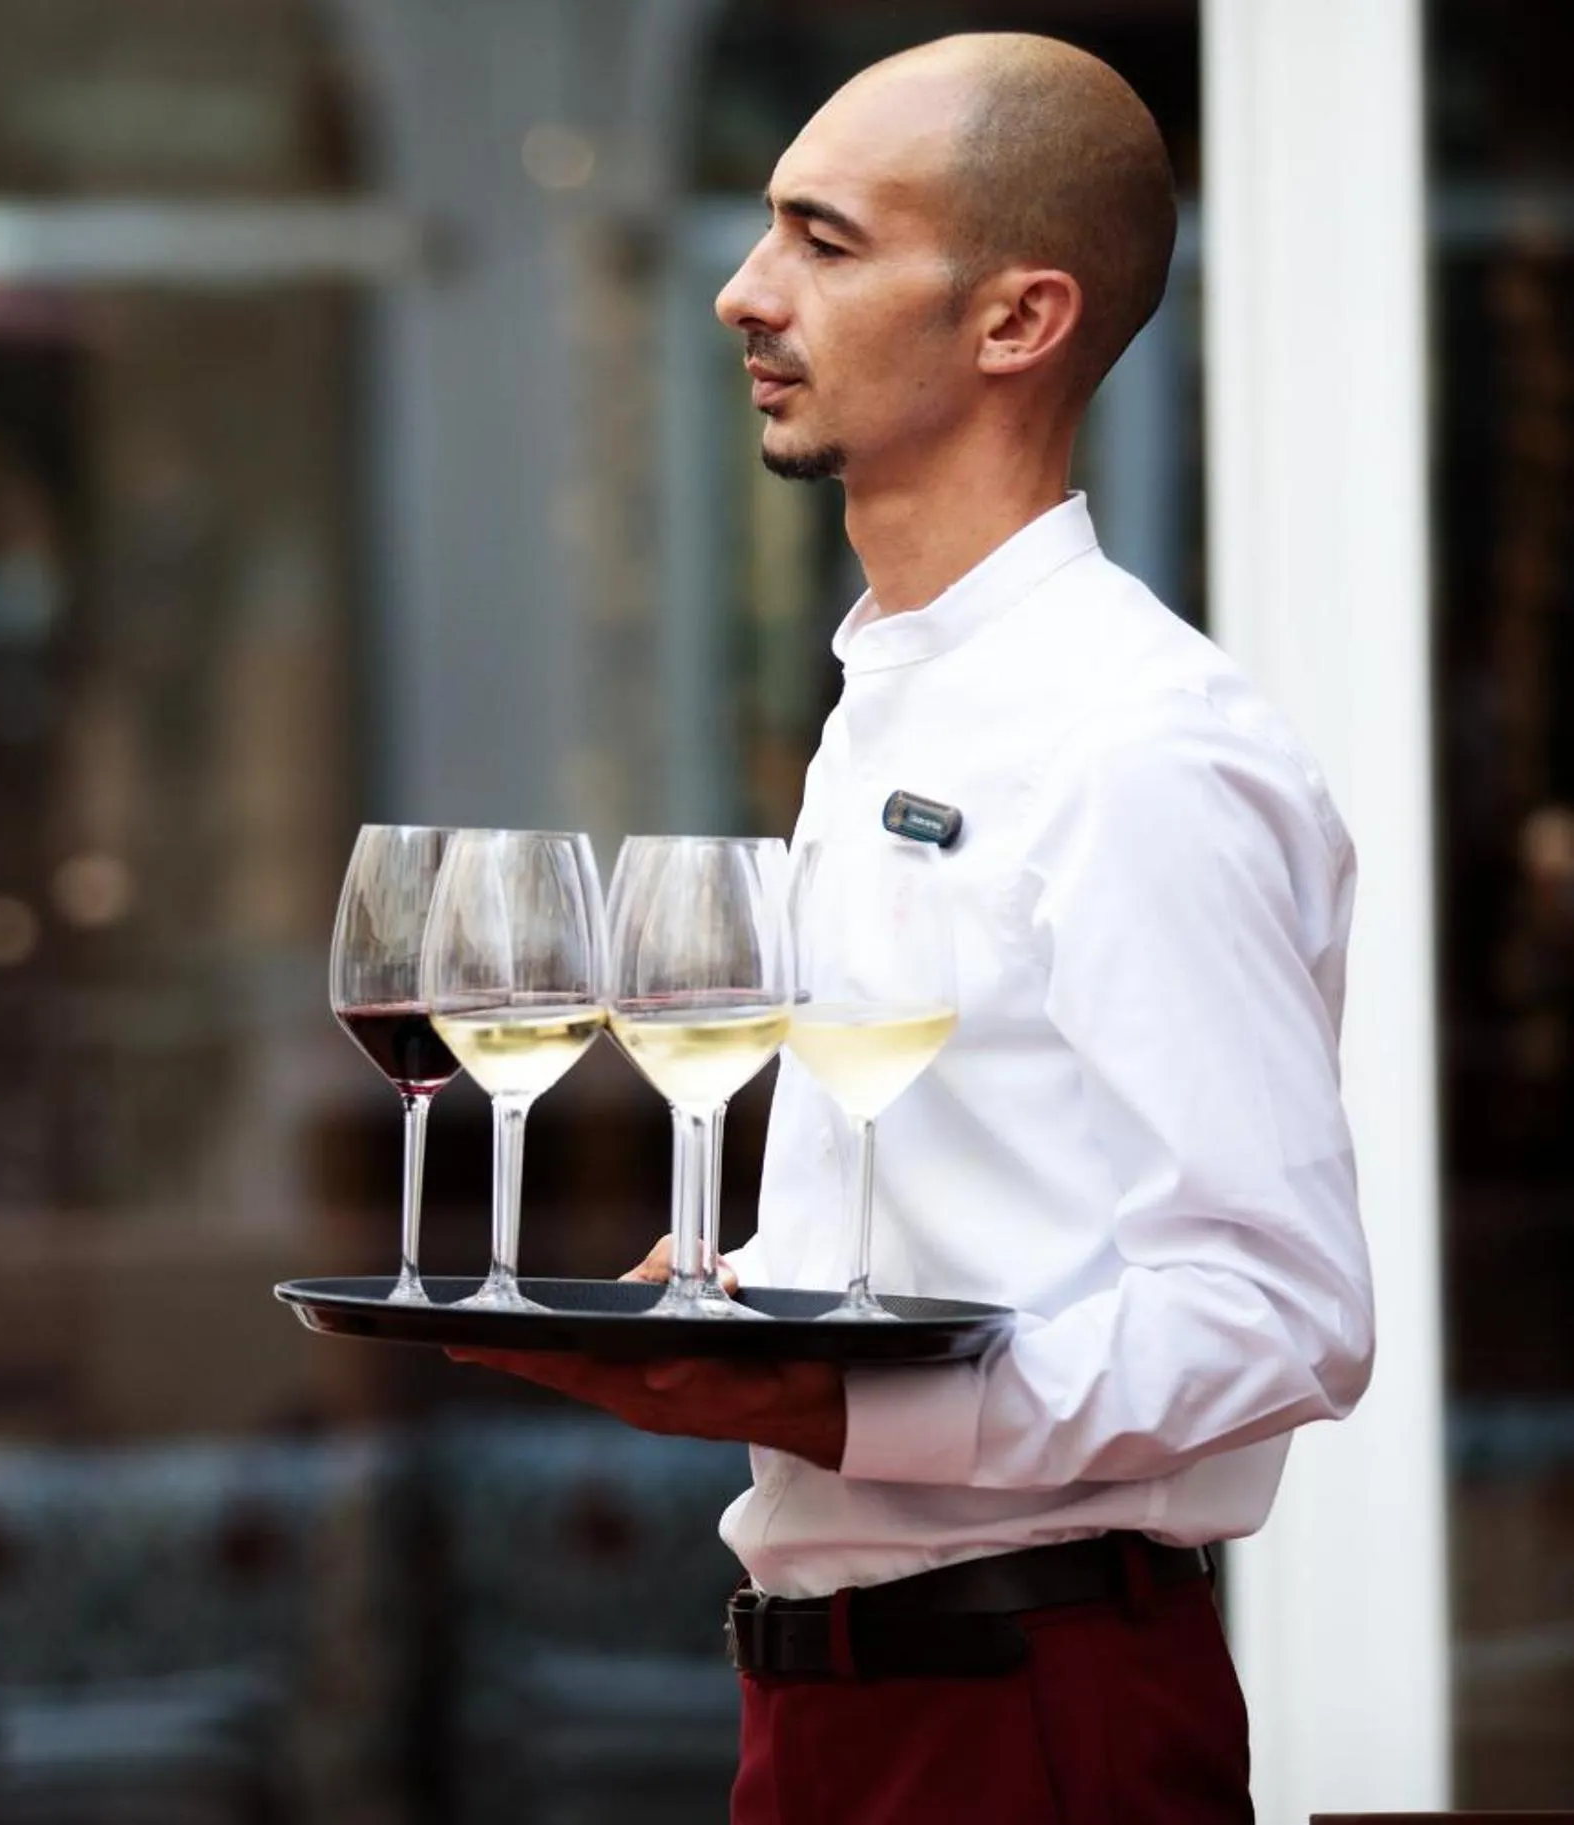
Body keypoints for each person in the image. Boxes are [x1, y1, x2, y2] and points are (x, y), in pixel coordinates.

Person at [453, 32, 1374, 1823]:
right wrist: (743, 1310)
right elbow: (978, 1211)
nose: (742, 292)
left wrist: (836, 1403)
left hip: (1027, 1706)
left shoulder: (1134, 745)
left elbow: (1277, 1315)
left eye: (823, 239)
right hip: (837, 1705)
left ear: (1016, 321)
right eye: (763, 233)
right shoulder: (899, 699)